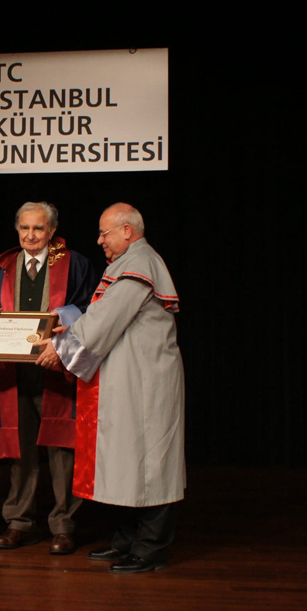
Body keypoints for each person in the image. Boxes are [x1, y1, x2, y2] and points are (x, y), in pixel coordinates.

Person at [36, 203, 185, 574]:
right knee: (126, 462)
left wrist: (61, 346)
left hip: (146, 382)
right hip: (127, 380)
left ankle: (150, 549)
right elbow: (100, 316)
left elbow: (106, 319)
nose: (100, 240)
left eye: (105, 233)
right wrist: (70, 330)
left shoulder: (140, 264)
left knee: (151, 466)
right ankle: (125, 541)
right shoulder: (126, 264)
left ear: (127, 231)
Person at [0, 201, 96, 555]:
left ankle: (64, 525)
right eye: (24, 228)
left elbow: (91, 311)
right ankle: (19, 522)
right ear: (17, 229)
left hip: (57, 369)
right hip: (13, 373)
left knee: (62, 451)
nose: (30, 235)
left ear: (52, 231)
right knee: (20, 451)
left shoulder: (75, 264)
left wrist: (62, 322)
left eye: (38, 228)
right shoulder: (4, 267)